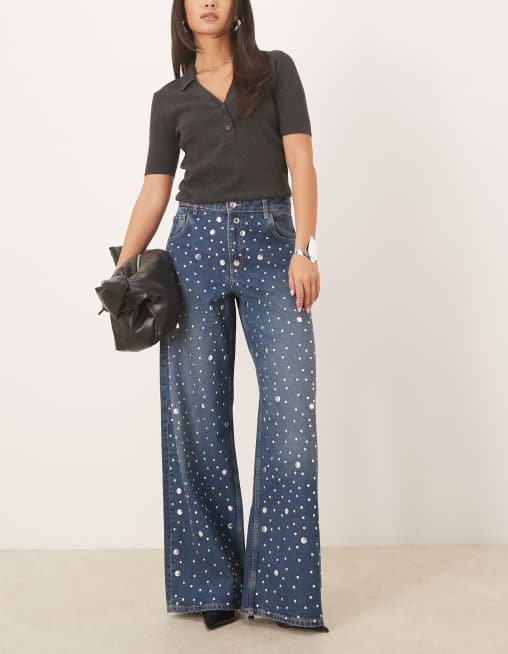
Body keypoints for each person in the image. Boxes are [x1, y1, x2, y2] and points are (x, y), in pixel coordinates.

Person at [115, 0, 328, 633]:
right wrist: (122, 271)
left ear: (237, 7)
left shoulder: (276, 70)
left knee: (291, 416)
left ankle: (284, 592)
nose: (208, 1)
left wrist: (305, 249)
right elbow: (156, 188)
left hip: (272, 245)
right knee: (197, 419)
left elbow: (301, 161)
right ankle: (211, 584)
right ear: (182, 10)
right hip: (193, 252)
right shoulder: (169, 99)